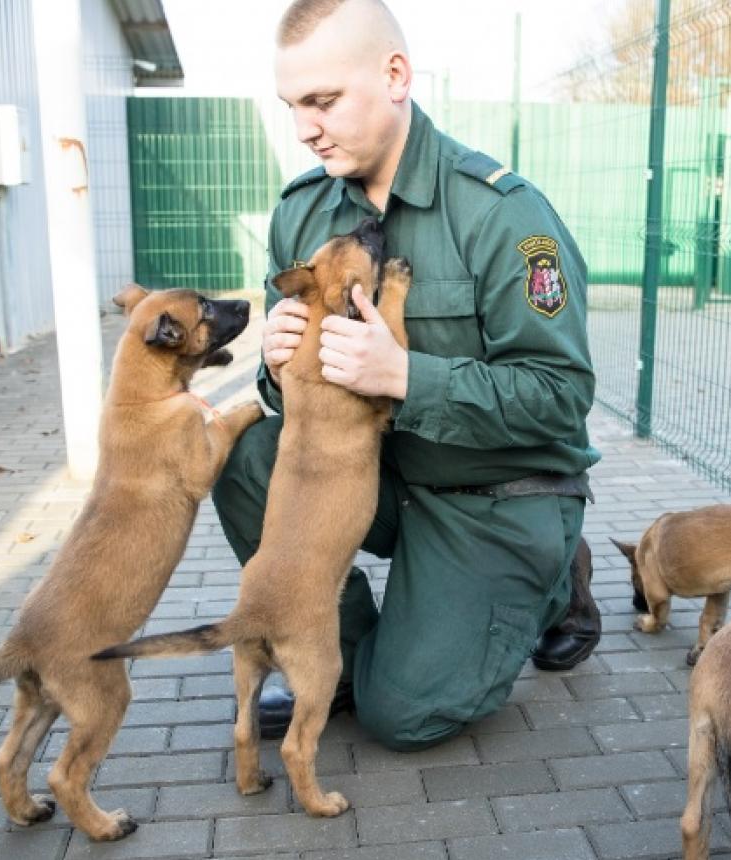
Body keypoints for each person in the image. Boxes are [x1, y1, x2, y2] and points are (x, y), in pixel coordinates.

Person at [211, 0, 599, 752]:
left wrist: (407, 377)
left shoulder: (503, 216)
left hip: (494, 495)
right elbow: (289, 402)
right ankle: (338, 657)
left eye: (324, 101)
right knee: (241, 455)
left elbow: (562, 398)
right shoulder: (302, 211)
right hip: (379, 481)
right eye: (292, 106)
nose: (305, 128)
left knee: (403, 718)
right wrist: (273, 365)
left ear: (395, 76)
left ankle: (553, 582)